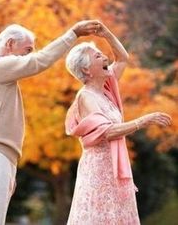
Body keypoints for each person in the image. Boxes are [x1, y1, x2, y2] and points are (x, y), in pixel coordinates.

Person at [0, 20, 101, 225]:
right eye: (26, 50)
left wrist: (8, 167)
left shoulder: (0, 75)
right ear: (9, 44)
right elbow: (40, 61)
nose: (29, 56)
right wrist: (73, 34)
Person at [65, 21, 172, 224]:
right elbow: (107, 132)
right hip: (99, 171)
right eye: (98, 56)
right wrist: (143, 120)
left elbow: (123, 58)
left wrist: (106, 33)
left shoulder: (106, 89)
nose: (105, 57)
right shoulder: (86, 97)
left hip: (113, 170)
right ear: (87, 71)